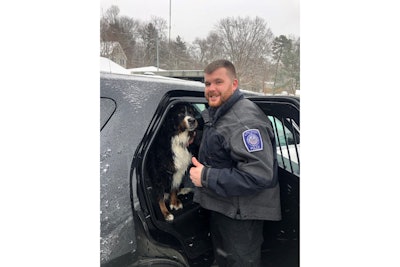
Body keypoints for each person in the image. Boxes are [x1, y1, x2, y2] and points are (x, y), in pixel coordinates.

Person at [189, 59, 281, 267]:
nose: (211, 89)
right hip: (226, 206)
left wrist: (205, 176)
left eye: (218, 82)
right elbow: (224, 146)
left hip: (242, 215)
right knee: (223, 260)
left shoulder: (244, 120)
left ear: (234, 83)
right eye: (207, 83)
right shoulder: (222, 113)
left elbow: (259, 174)